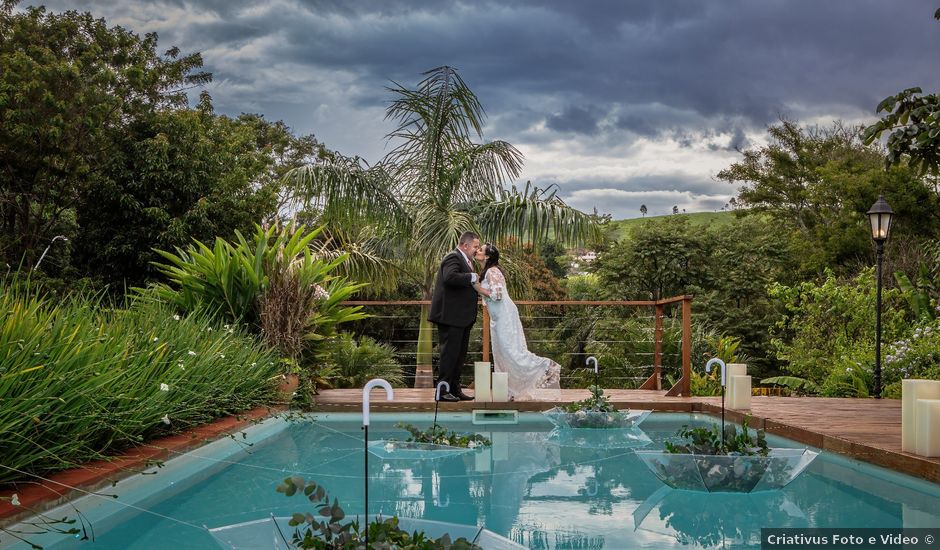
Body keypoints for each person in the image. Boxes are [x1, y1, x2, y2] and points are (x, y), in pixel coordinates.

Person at [473, 243, 561, 400]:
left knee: (512, 352)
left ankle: (546, 366)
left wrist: (477, 288)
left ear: (487, 256)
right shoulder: (487, 272)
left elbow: (497, 295)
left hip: (505, 316)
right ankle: (509, 391)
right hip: (497, 318)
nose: (477, 251)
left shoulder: (493, 271)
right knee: (501, 355)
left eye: (480, 250)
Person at [428, 231, 482, 402]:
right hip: (450, 317)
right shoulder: (452, 257)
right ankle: (442, 391)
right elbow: (450, 277)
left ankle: (455, 389)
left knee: (459, 355)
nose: (477, 250)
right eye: (475, 247)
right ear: (465, 245)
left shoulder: (466, 260)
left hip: (462, 318)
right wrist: (471, 276)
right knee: (449, 354)